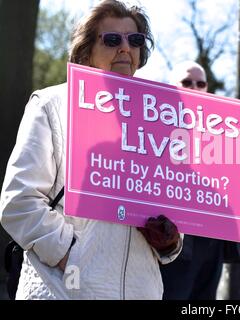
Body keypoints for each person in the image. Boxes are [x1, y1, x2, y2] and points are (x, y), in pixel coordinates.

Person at [0, 0, 182, 300]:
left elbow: (172, 212)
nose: (125, 47)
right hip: (63, 290)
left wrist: (170, 242)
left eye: (134, 40)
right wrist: (72, 255)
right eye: (112, 39)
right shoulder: (52, 104)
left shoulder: (159, 120)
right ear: (85, 52)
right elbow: (19, 202)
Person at [159, 61, 240, 300]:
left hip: (212, 241)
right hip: (173, 239)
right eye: (186, 82)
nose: (194, 87)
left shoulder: (225, 129)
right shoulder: (154, 124)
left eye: (200, 83)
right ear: (172, 87)